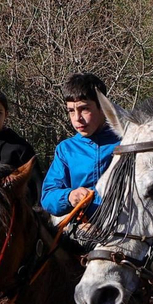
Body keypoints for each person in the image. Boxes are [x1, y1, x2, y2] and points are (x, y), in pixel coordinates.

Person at [41, 73, 119, 219]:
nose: (77, 118)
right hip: (79, 230)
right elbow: (48, 196)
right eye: (71, 111)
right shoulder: (66, 149)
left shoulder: (125, 143)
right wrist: (70, 196)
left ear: (103, 107)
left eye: (84, 109)